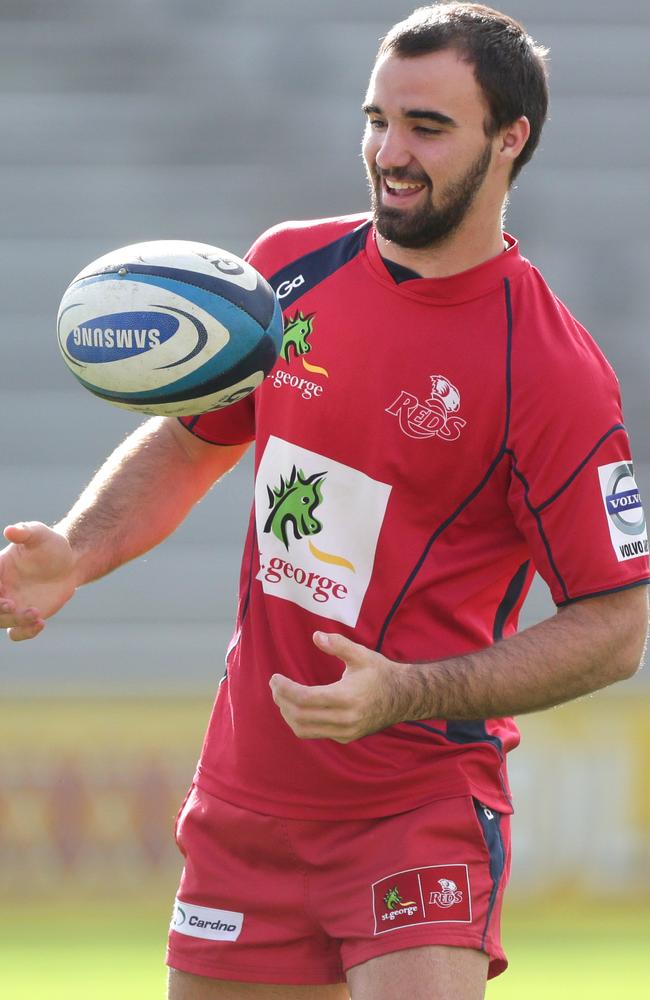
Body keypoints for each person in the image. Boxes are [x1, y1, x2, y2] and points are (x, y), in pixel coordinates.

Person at [1, 3, 648, 998]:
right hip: (244, 800)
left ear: (509, 138)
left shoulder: (551, 371)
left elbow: (616, 624)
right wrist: (76, 554)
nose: (388, 151)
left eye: (425, 126)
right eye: (375, 118)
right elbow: (192, 442)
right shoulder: (283, 274)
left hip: (413, 803)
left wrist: (406, 691)